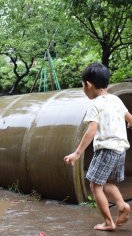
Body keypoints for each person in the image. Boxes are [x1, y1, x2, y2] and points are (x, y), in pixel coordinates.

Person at [64, 62, 132, 231]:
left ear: (88, 84)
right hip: (120, 150)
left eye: (82, 86)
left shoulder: (95, 105)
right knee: (105, 183)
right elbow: (129, 117)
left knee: (95, 186)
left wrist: (77, 153)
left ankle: (109, 222)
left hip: (106, 149)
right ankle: (122, 205)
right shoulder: (116, 99)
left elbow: (91, 130)